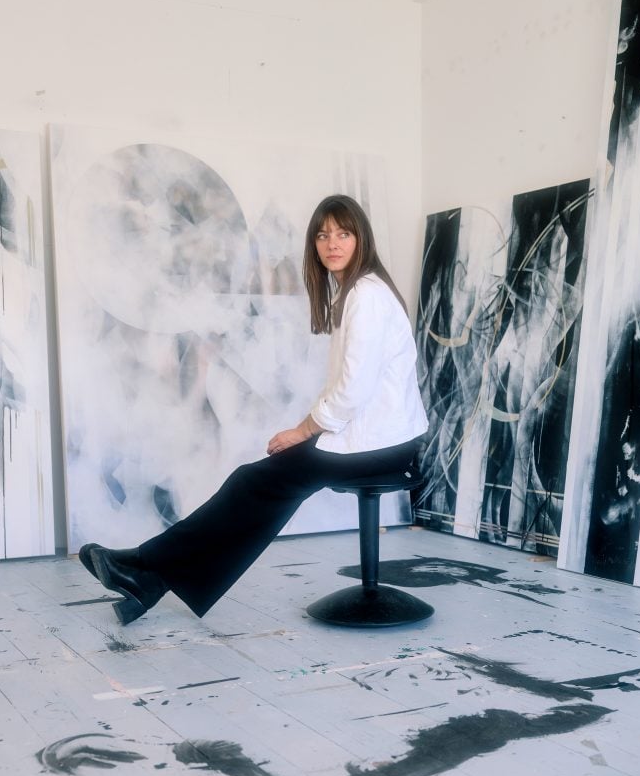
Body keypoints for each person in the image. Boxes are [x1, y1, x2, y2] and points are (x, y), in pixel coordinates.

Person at [79, 194, 429, 624]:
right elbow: (348, 390)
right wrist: (314, 430)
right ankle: (146, 575)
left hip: (382, 444)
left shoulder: (366, 297)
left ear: (362, 239)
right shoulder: (356, 293)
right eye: (322, 235)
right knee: (259, 485)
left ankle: (144, 570)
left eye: (343, 233)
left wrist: (302, 431)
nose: (331, 243)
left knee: (256, 484)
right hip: (370, 437)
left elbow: (352, 391)